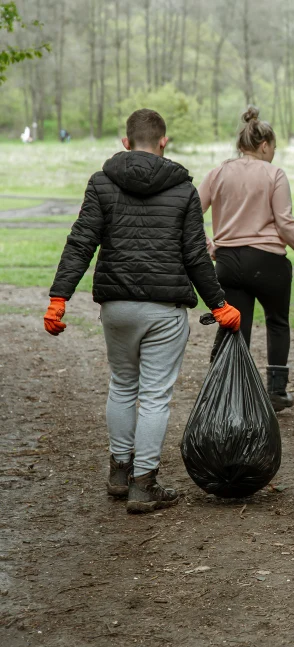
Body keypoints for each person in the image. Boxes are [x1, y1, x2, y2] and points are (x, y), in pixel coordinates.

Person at [44, 108, 242, 514]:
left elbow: (81, 242)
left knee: (121, 385)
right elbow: (194, 257)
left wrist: (59, 298)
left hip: (116, 308)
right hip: (164, 310)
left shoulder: (101, 183)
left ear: (126, 141)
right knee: (154, 397)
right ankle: (143, 485)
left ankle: (120, 472)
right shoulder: (183, 188)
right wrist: (219, 304)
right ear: (164, 142)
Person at [198, 106, 294, 412]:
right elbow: (285, 222)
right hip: (269, 263)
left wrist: (210, 245)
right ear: (265, 145)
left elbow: (189, 213)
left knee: (235, 326)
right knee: (277, 323)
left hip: (228, 262)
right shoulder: (274, 174)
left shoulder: (218, 173)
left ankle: (232, 390)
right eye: (274, 149)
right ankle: (276, 392)